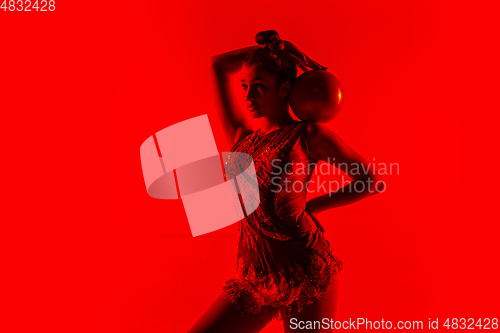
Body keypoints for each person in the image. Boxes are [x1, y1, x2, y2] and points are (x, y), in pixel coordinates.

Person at [187, 30, 385, 333]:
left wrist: (314, 207)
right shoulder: (239, 138)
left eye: (259, 87)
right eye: (245, 86)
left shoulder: (306, 135)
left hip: (304, 268)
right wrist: (279, 49)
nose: (248, 96)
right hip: (255, 275)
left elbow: (371, 181)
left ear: (284, 89)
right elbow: (217, 64)